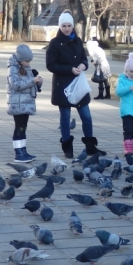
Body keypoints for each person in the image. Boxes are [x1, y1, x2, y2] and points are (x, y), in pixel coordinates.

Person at [46, 11, 105, 158]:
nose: (67, 29)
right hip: (63, 85)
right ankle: (67, 147)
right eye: (64, 26)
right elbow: (50, 65)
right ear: (60, 26)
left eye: (69, 26)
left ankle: (91, 147)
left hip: (79, 84)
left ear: (73, 26)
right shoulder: (54, 43)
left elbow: (84, 59)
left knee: (86, 116)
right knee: (65, 117)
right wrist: (69, 69)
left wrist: (83, 66)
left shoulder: (78, 41)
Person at [7, 44, 42, 163]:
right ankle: (18, 153)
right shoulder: (12, 68)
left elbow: (30, 84)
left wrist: (38, 82)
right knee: (19, 127)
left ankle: (23, 150)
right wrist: (32, 80)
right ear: (20, 60)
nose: (29, 63)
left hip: (25, 103)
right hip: (17, 103)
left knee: (23, 127)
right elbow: (16, 85)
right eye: (27, 61)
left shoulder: (26, 68)